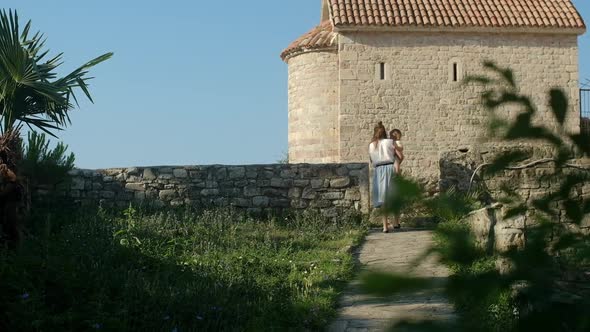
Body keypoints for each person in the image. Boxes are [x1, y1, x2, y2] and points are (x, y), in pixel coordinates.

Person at [369, 121, 398, 233]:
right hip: (390, 168)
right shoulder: (390, 142)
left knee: (383, 199)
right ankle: (394, 222)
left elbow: (372, 160)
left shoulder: (371, 145)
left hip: (378, 170)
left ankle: (385, 226)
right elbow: (397, 155)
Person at [0, 164, 22, 247]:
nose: (7, 171)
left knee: (10, 232)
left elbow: (2, 195)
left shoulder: (12, 185)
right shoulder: (13, 184)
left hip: (9, 212)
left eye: (9, 170)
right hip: (10, 211)